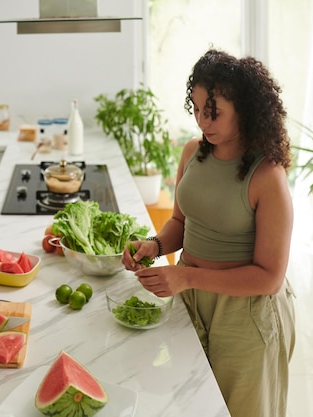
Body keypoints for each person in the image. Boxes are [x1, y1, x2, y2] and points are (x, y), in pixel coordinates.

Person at [122, 49, 296, 417]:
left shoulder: (267, 176)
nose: (203, 120)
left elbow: (270, 277)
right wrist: (151, 247)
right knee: (193, 405)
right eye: (198, 108)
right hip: (192, 298)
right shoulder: (192, 153)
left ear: (245, 108)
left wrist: (185, 275)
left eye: (213, 110)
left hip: (245, 313)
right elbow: (182, 225)